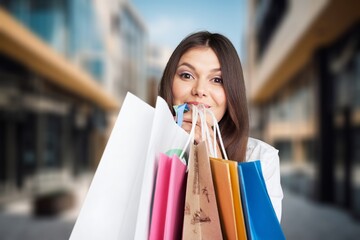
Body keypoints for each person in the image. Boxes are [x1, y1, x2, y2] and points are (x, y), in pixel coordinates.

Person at [158, 31, 283, 222]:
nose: (199, 90)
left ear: (232, 92)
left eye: (217, 80)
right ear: (170, 82)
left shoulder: (259, 159)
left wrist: (214, 162)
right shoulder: (143, 144)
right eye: (186, 75)